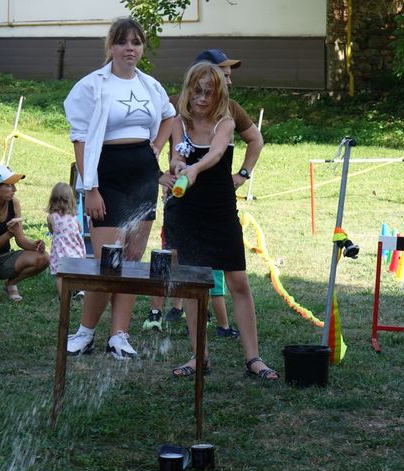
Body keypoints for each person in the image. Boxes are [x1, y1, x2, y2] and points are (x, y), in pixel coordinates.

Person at [63, 17, 175, 359]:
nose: (130, 49)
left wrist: (156, 148)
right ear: (111, 46)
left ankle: (119, 336)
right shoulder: (92, 85)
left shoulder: (150, 85)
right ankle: (85, 333)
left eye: (136, 43)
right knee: (108, 262)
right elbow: (80, 140)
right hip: (107, 176)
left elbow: (170, 116)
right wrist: (91, 188)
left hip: (142, 178)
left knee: (131, 260)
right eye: (123, 42)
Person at [164, 61, 278, 380]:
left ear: (219, 95)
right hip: (186, 209)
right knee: (192, 282)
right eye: (197, 91)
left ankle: (253, 358)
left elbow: (214, 154)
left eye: (209, 92)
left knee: (237, 280)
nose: (202, 98)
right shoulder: (179, 121)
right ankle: (199, 357)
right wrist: (177, 166)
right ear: (189, 90)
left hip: (219, 208)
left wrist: (195, 169)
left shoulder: (224, 121)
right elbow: (177, 155)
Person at [143, 48, 263, 337]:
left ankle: (220, 326)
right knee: (177, 262)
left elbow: (247, 142)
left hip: (218, 205)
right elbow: (155, 147)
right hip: (183, 202)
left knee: (225, 276)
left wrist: (242, 174)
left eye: (226, 78)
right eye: (224, 74)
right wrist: (164, 173)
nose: (228, 81)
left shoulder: (229, 112)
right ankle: (163, 312)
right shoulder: (175, 108)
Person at [0, 164, 49, 302]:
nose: (15, 189)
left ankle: (11, 284)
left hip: (5, 256)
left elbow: (20, 239)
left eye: (14, 185)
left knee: (43, 258)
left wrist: (34, 245)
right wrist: (9, 234)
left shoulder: (14, 203)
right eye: (9, 185)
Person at [46, 182, 86, 299]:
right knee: (77, 271)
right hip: (75, 249)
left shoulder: (51, 217)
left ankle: (63, 297)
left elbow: (52, 230)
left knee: (60, 275)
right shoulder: (74, 217)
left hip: (60, 251)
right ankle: (80, 290)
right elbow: (80, 229)